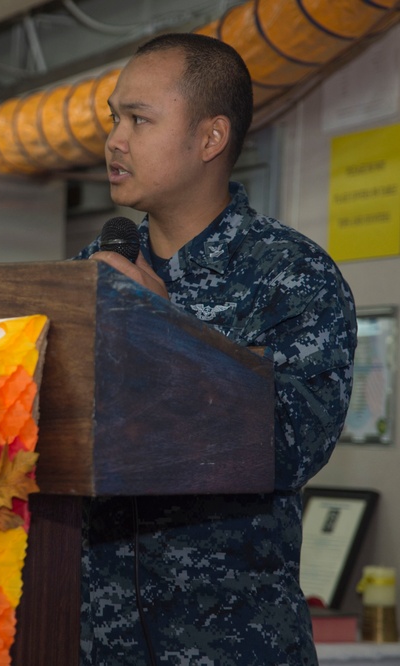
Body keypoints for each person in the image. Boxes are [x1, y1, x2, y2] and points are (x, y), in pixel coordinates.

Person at [74, 33, 357, 664]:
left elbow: (291, 447)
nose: (115, 139)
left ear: (211, 138)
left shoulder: (292, 277)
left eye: (139, 120)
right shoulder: (88, 275)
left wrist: (164, 328)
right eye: (115, 118)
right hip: (97, 642)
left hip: (235, 642)